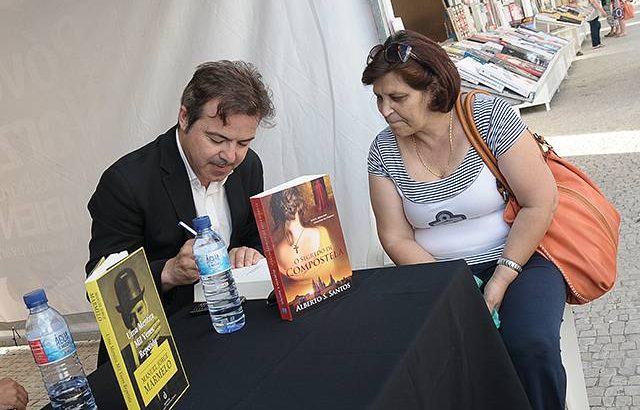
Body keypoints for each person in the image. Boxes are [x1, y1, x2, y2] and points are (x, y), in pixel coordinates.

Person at [363, 30, 565, 410]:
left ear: (434, 88)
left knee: (529, 344)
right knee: (431, 361)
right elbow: (395, 237)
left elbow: (540, 203)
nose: (385, 110)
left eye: (398, 98)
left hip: (522, 259)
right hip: (437, 274)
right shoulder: (382, 149)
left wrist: (500, 280)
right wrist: (457, 284)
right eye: (379, 98)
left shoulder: (489, 117)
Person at [87, 60, 275, 363]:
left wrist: (249, 251)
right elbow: (101, 288)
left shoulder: (249, 166)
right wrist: (170, 272)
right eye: (216, 139)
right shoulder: (125, 183)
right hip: (160, 344)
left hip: (235, 325)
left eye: (243, 142)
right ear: (184, 117)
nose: (230, 156)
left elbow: (254, 234)